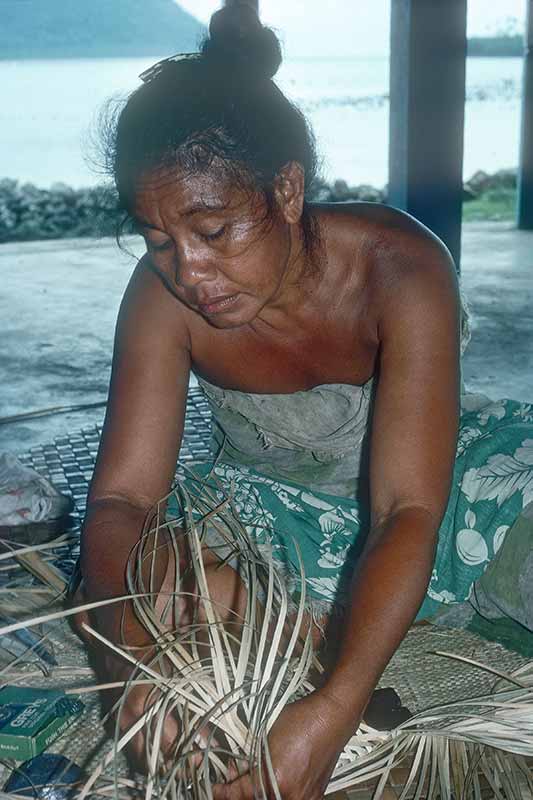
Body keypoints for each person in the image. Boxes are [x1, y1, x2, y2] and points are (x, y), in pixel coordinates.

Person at [74, 4, 533, 798]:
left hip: (439, 478)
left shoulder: (399, 266)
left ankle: (355, 639)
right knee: (165, 584)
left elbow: (405, 510)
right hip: (275, 506)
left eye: (215, 231)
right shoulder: (161, 299)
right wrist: (130, 671)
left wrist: (335, 704)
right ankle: (324, 632)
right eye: (157, 240)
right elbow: (122, 497)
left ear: (286, 191)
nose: (189, 274)